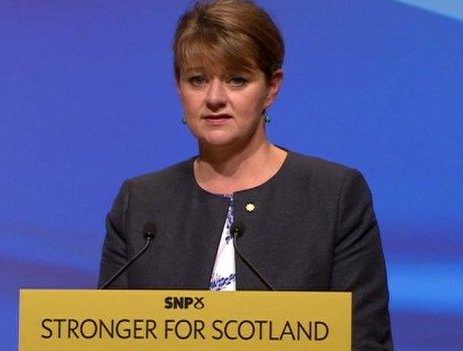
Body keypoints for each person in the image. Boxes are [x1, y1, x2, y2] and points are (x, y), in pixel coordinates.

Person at [98, 0, 392, 349]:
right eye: (198, 79)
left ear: (272, 87)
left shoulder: (334, 196)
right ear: (179, 88)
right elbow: (109, 335)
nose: (215, 98)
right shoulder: (141, 204)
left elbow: (364, 340)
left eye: (237, 80)